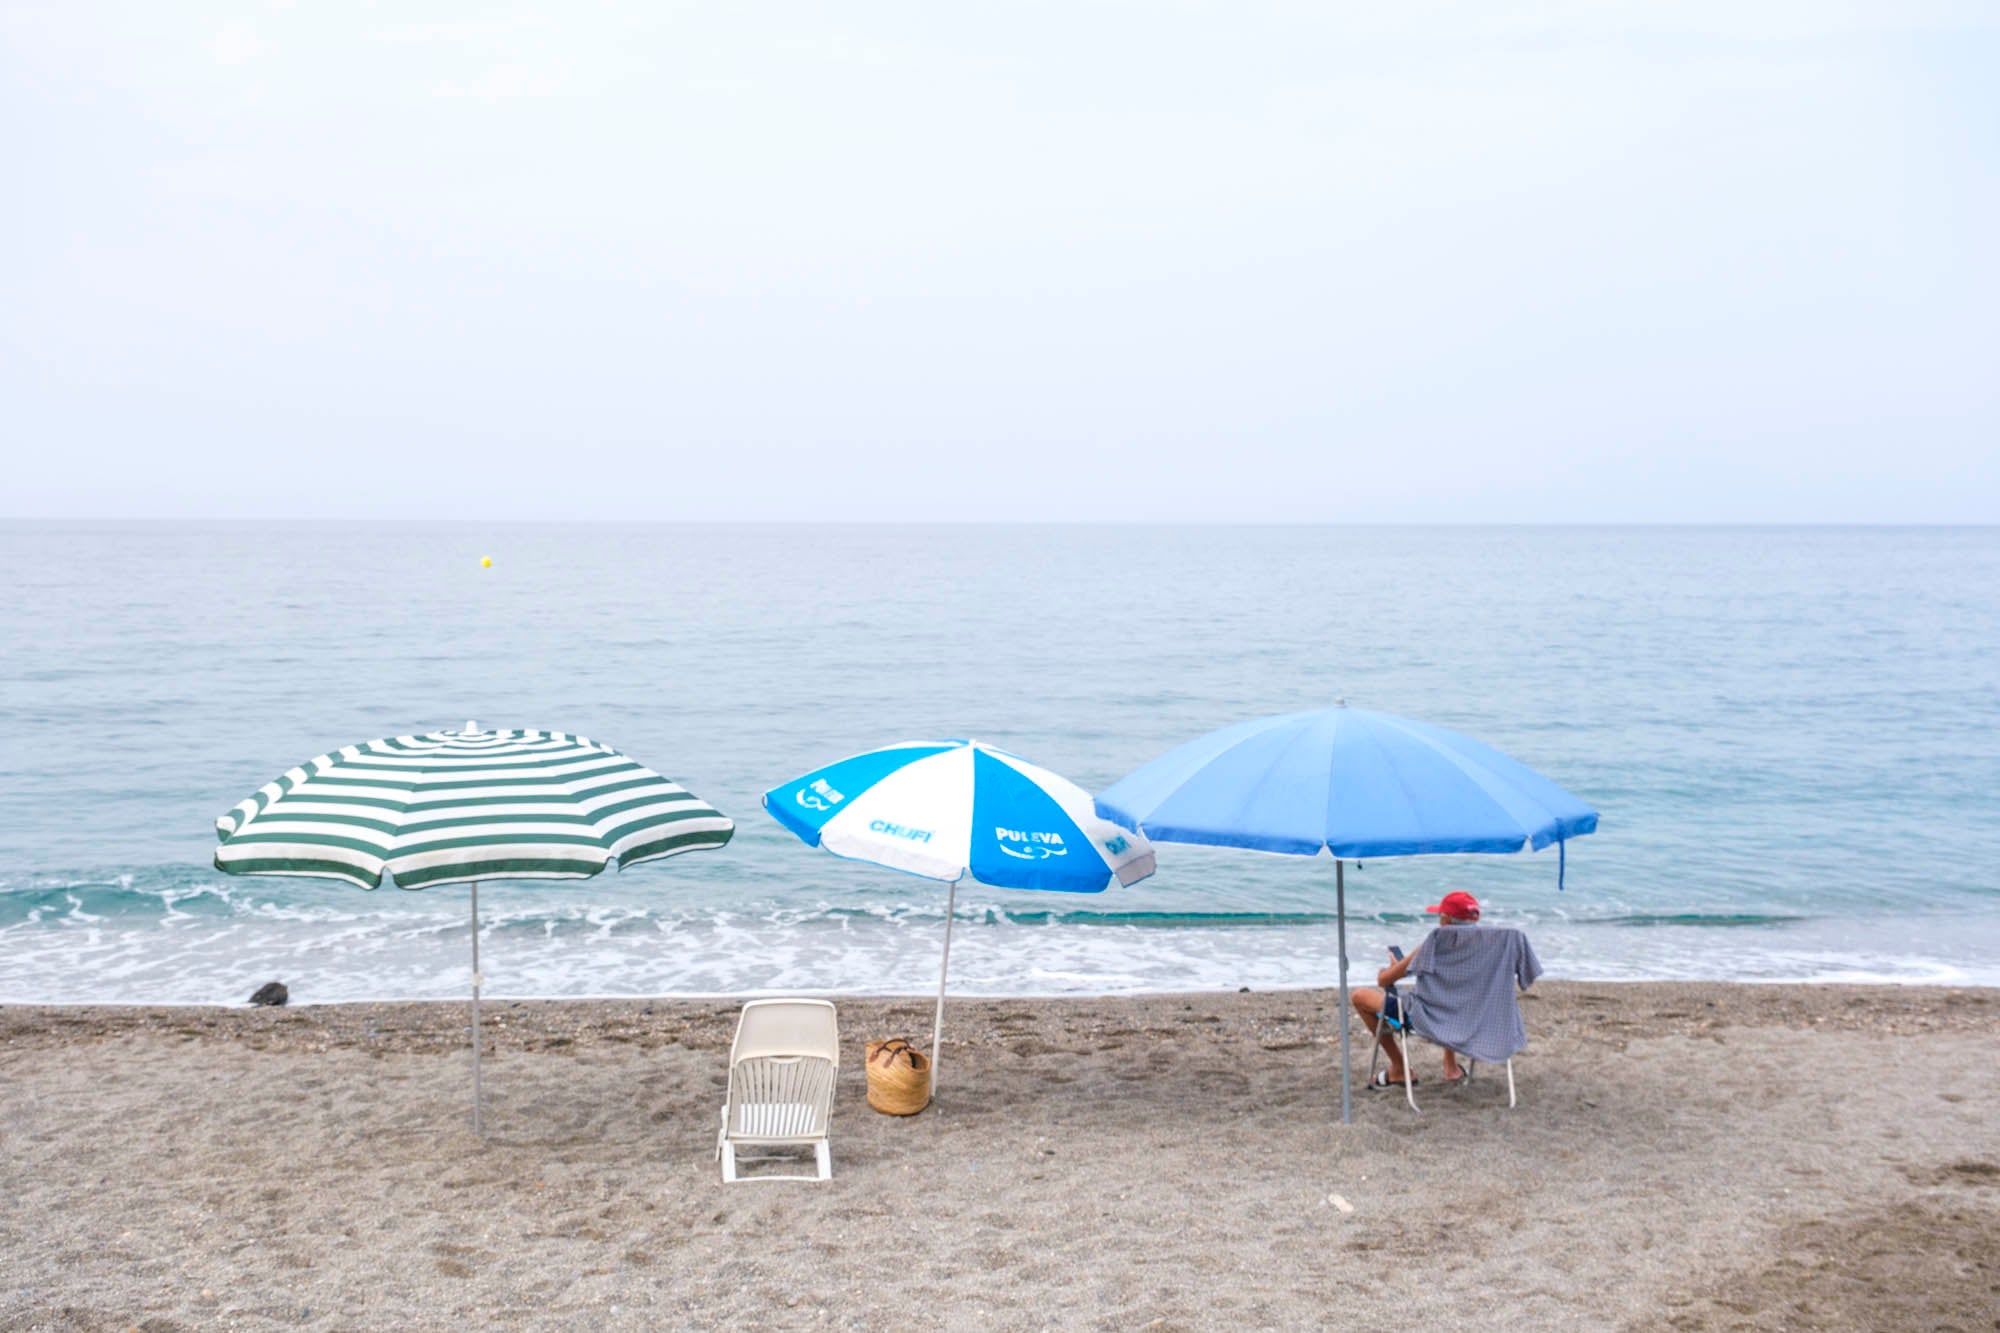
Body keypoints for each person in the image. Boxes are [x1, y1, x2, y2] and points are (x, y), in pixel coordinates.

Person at [1350, 889, 1487, 1089]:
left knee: (1360, 996)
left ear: (1446, 920)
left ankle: (1399, 1068)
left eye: (1440, 916)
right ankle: (1451, 1066)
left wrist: (1392, 968)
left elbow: (1384, 981)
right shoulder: (1490, 949)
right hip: (1471, 1019)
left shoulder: (1432, 946)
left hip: (1427, 1019)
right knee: (1451, 995)